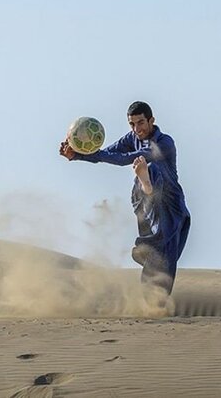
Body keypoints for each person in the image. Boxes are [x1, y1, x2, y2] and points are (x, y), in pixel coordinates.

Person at [59, 101, 191, 296]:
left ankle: (154, 302)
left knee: (165, 259)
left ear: (151, 120)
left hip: (171, 205)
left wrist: (83, 156)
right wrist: (77, 154)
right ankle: (146, 185)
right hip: (145, 201)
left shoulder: (165, 143)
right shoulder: (131, 137)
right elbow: (106, 153)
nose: (136, 129)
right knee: (156, 254)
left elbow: (123, 159)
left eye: (140, 123)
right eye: (132, 124)